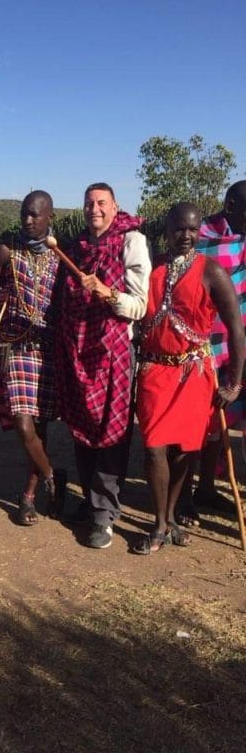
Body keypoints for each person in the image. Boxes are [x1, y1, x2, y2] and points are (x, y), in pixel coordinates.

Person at [133, 202, 243, 553]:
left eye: (193, 229)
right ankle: (159, 524)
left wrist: (234, 384)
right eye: (179, 229)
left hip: (193, 374)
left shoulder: (212, 272)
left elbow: (237, 330)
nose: (186, 236)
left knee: (183, 451)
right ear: (166, 231)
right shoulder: (151, 268)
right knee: (154, 448)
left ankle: (171, 517)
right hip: (154, 371)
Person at [58, 183, 151, 549]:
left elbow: (140, 306)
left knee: (112, 434)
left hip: (113, 352)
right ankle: (90, 500)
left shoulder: (131, 242)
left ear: (115, 207)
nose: (94, 209)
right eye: (89, 203)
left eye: (101, 203)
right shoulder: (78, 246)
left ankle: (105, 516)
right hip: (78, 350)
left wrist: (108, 293)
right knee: (82, 429)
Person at [0, 190, 65, 526]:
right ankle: (53, 477)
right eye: (24, 213)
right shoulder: (7, 250)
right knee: (23, 423)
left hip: (49, 349)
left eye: (35, 215)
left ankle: (28, 496)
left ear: (49, 217)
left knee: (40, 428)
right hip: (15, 345)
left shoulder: (60, 254)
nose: (27, 220)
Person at [176, 181, 246, 523]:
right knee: (196, 423)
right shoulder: (199, 235)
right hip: (199, 344)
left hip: (236, 345)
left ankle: (206, 488)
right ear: (230, 206)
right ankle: (184, 494)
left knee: (222, 420)